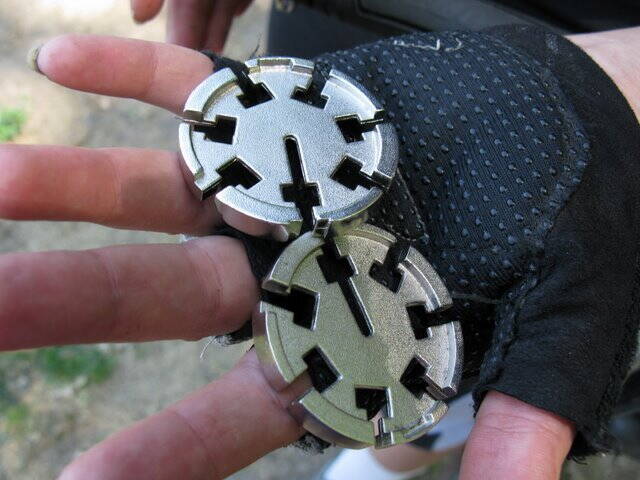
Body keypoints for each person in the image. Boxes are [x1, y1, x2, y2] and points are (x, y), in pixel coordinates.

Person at [0, 1, 638, 479]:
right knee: (449, 345)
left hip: (559, 52)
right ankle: (390, 451)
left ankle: (400, 444)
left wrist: (606, 90)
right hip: (344, 42)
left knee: (482, 346)